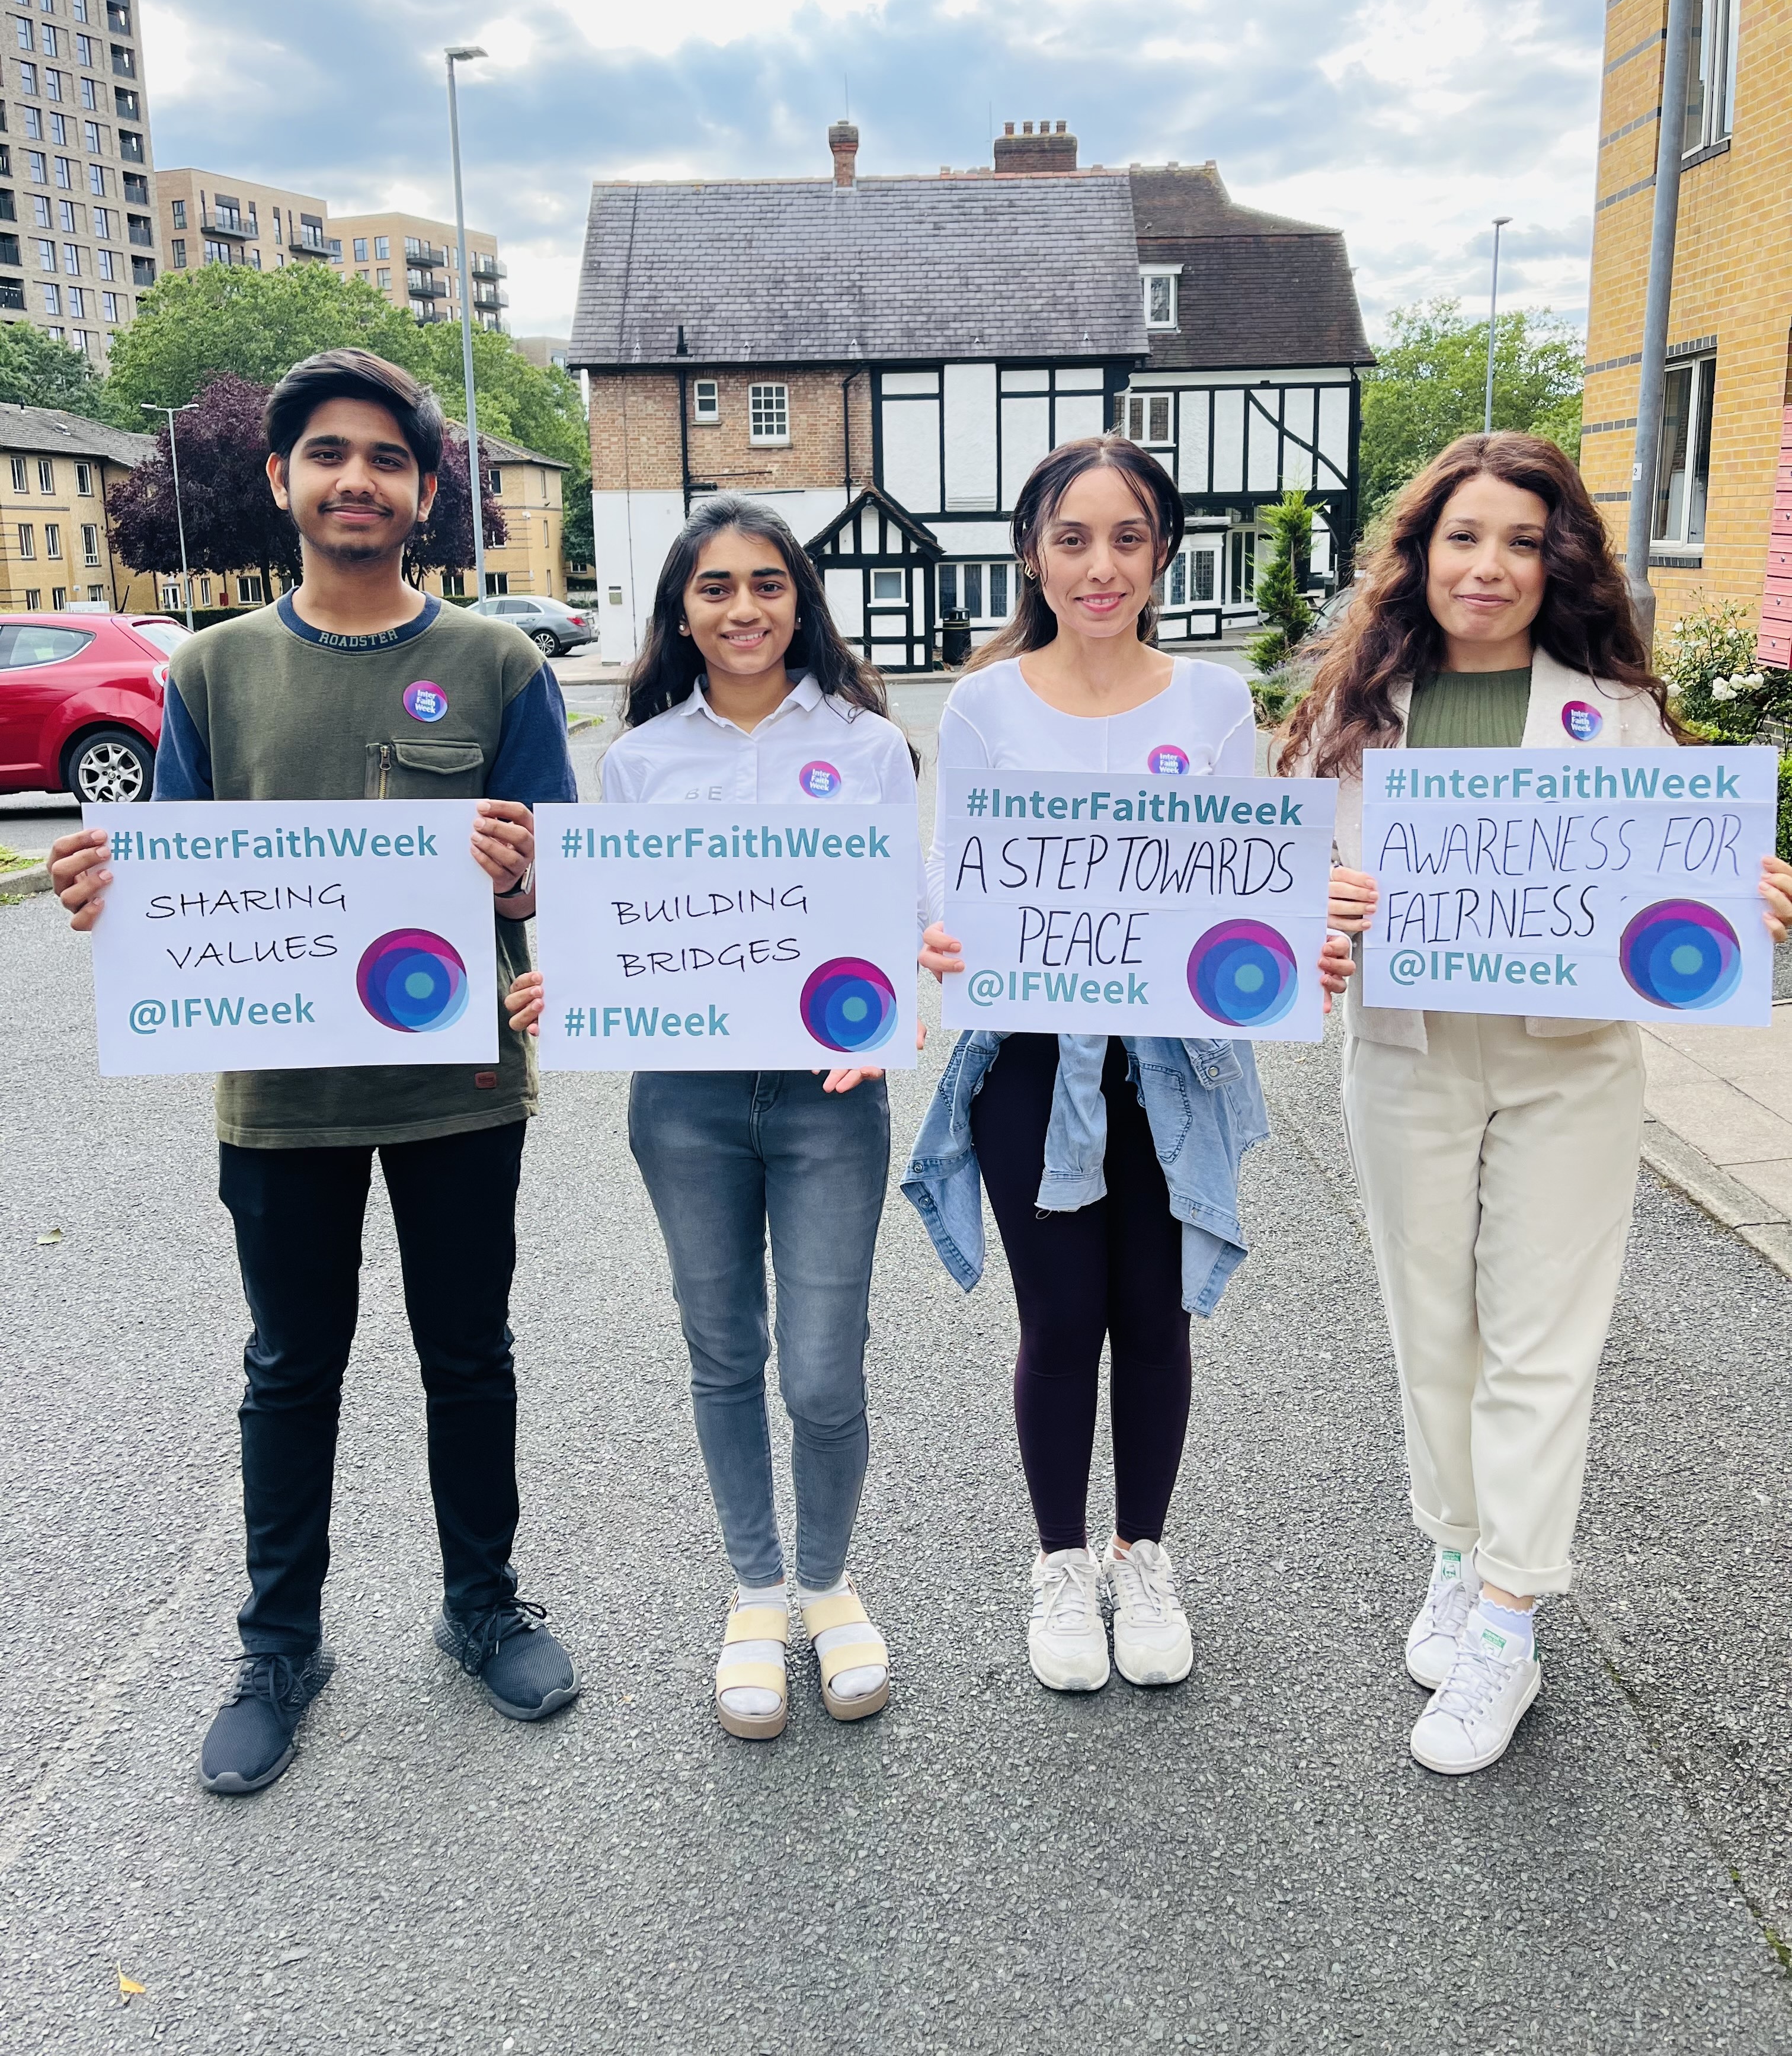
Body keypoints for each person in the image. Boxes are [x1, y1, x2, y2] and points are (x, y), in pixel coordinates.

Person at [49, 348, 581, 1796]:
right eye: (328, 454)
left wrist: (529, 881)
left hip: (460, 1085)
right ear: (281, 480)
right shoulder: (210, 671)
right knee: (292, 1369)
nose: (360, 478)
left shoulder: (497, 664)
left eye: (389, 458)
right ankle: (280, 1642)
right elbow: (175, 884)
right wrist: (114, 892)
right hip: (279, 1100)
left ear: (423, 493)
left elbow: (570, 896)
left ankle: (482, 1605)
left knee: (468, 1354)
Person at [1280, 431, 1792, 1775]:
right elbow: (1267, 890)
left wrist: (1743, 900)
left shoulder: (1613, 715)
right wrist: (1307, 910)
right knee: (1430, 1327)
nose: (1490, 566)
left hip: (1571, 1064)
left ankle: (1508, 1614)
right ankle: (1459, 1548)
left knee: (1541, 1340)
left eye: (1522, 540)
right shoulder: (1358, 709)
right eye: (1465, 537)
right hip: (1405, 1051)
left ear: (1557, 559)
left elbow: (1671, 892)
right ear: (1423, 554)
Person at [905, 434, 1350, 1695]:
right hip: (1029, 1063)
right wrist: (935, 939)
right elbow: (956, 881)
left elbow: (1247, 881)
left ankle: (1141, 1554)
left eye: (1127, 538)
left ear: (1161, 553)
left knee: (1153, 1322)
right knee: (1059, 1322)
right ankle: (1058, 1563)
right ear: (1034, 557)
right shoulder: (986, 704)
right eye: (1072, 539)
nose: (1100, 567)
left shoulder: (1212, 704)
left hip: (1178, 1070)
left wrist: (1294, 945)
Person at [508, 495, 917, 1740]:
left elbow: (896, 918)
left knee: (820, 1369)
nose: (744, 609)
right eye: (715, 588)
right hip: (682, 1104)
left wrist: (882, 1010)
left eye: (768, 583)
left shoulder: (867, 747)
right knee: (723, 1354)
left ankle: (830, 1584)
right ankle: (755, 1590)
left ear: (802, 598)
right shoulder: (637, 761)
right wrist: (562, 984)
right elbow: (614, 926)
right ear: (680, 612)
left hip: (828, 1103)